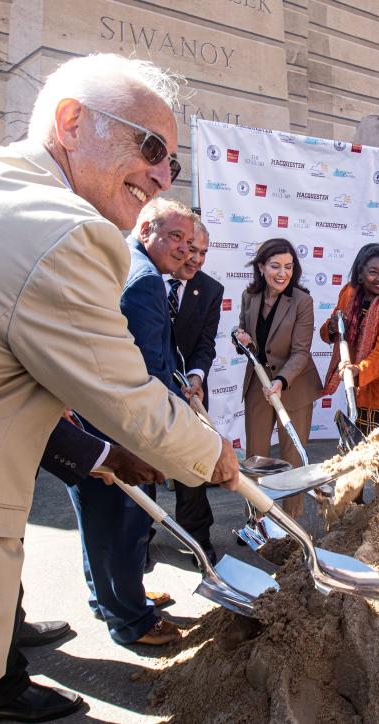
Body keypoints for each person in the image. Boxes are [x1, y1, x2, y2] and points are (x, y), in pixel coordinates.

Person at [0, 54, 239, 722]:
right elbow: (126, 397)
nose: (160, 174)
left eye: (172, 163)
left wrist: (101, 456)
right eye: (150, 147)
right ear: (71, 121)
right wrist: (218, 460)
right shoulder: (69, 230)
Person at [67, 197, 201, 647]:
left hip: (91, 424)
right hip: (118, 429)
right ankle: (130, 620)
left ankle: (109, 597)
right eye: (175, 237)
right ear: (146, 230)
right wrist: (166, 434)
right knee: (123, 523)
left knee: (98, 522)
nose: (184, 249)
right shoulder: (143, 281)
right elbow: (143, 375)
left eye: (189, 240)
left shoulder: (128, 265)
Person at [0, 418, 164, 722]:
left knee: (6, 545)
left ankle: (10, 629)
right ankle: (3, 686)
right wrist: (103, 455)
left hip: (12, 447)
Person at [234, 238, 322, 516]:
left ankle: (290, 522)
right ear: (261, 267)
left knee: (292, 457)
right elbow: (243, 335)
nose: (282, 273)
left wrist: (281, 381)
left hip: (293, 386)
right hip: (258, 384)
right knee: (256, 456)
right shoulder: (249, 297)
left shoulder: (302, 301)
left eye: (288, 266)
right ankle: (257, 519)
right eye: (275, 266)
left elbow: (300, 352)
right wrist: (241, 338)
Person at [167, 220, 224, 557]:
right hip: (143, 389)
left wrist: (197, 377)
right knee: (141, 467)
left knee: (193, 467)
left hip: (191, 392)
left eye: (203, 252)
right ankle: (138, 541)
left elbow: (205, 344)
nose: (197, 259)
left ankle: (196, 541)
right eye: (191, 249)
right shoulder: (147, 280)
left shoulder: (211, 290)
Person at [320, 243, 379, 440]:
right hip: (359, 386)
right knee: (360, 455)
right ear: (360, 274)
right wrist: (333, 327)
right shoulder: (349, 293)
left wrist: (356, 372)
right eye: (373, 272)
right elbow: (328, 332)